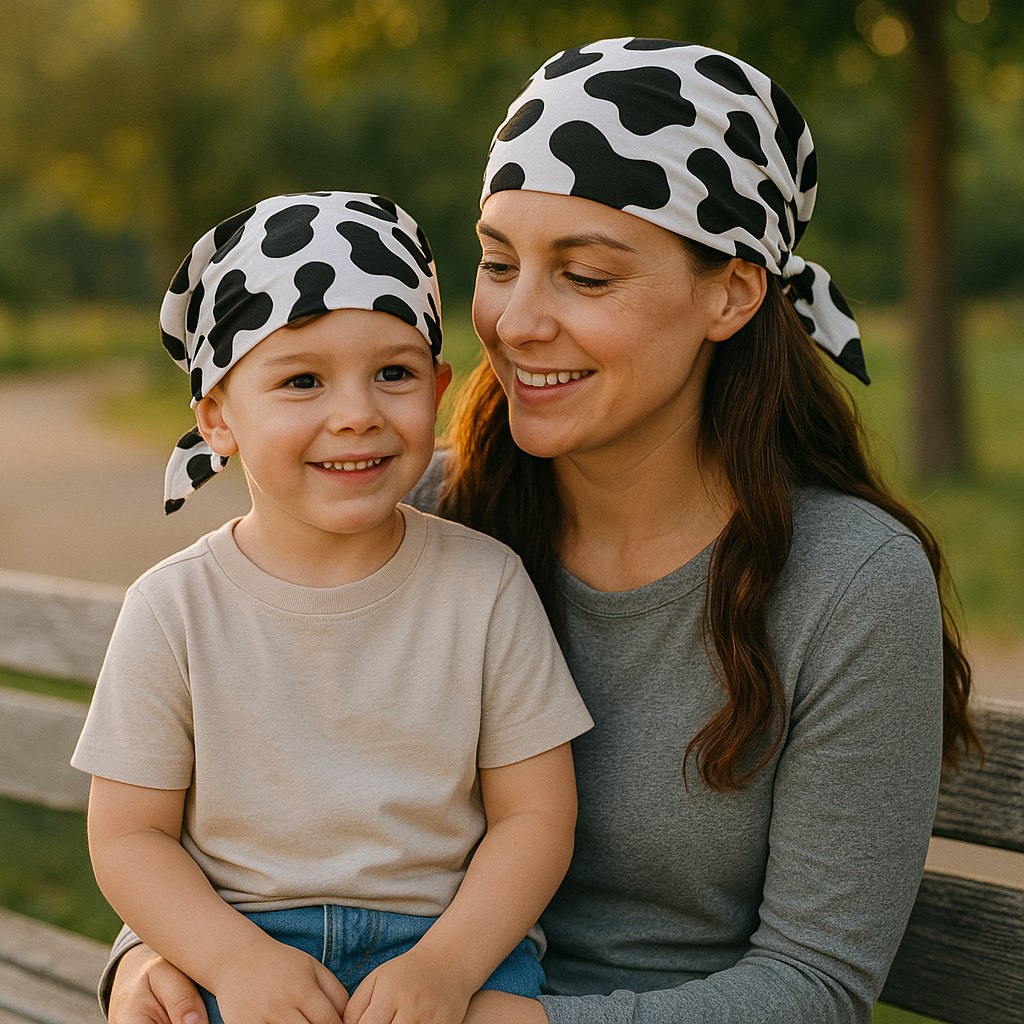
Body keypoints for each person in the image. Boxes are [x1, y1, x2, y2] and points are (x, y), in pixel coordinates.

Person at [103, 38, 978, 1024]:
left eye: (585, 276)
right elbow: (245, 825)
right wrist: (150, 966)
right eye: (497, 262)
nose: (514, 322)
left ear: (730, 292)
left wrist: (510, 1021)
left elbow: (816, 987)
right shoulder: (424, 514)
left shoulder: (848, 581)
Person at [72, 191, 594, 1024]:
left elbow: (535, 817)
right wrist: (234, 961)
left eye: (393, 373)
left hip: (444, 945)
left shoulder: (486, 587)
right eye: (303, 379)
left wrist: (449, 967)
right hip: (240, 941)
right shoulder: (174, 609)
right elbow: (129, 838)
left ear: (440, 387)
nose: (356, 415)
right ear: (217, 418)